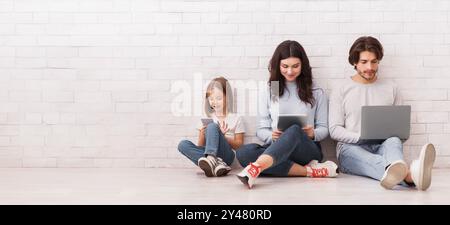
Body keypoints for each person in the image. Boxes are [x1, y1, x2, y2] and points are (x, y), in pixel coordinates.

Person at [329, 36, 436, 190]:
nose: (369, 67)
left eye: (374, 62)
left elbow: (401, 131)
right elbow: (334, 129)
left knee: (393, 140)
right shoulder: (341, 89)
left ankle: (403, 172)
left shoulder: (391, 87)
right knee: (373, 159)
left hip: (383, 146)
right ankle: (411, 175)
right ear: (354, 62)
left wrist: (394, 136)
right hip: (351, 148)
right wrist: (360, 137)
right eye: (364, 62)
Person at [236, 40, 338, 189]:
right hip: (276, 148)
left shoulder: (315, 91)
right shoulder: (272, 90)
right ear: (278, 65)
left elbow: (324, 128)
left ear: (303, 65)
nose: (290, 71)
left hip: (306, 151)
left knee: (294, 130)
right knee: (243, 153)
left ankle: (256, 167)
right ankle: (311, 171)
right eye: (285, 66)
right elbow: (261, 129)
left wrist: (312, 133)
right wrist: (271, 136)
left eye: (295, 66)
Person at [178, 77, 245, 177]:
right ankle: (215, 164)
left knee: (213, 126)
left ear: (227, 97)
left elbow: (239, 146)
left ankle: (212, 161)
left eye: (218, 98)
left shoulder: (236, 118)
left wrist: (223, 136)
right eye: (211, 99)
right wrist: (202, 133)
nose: (214, 102)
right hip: (210, 154)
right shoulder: (206, 118)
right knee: (182, 145)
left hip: (226, 156)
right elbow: (200, 146)